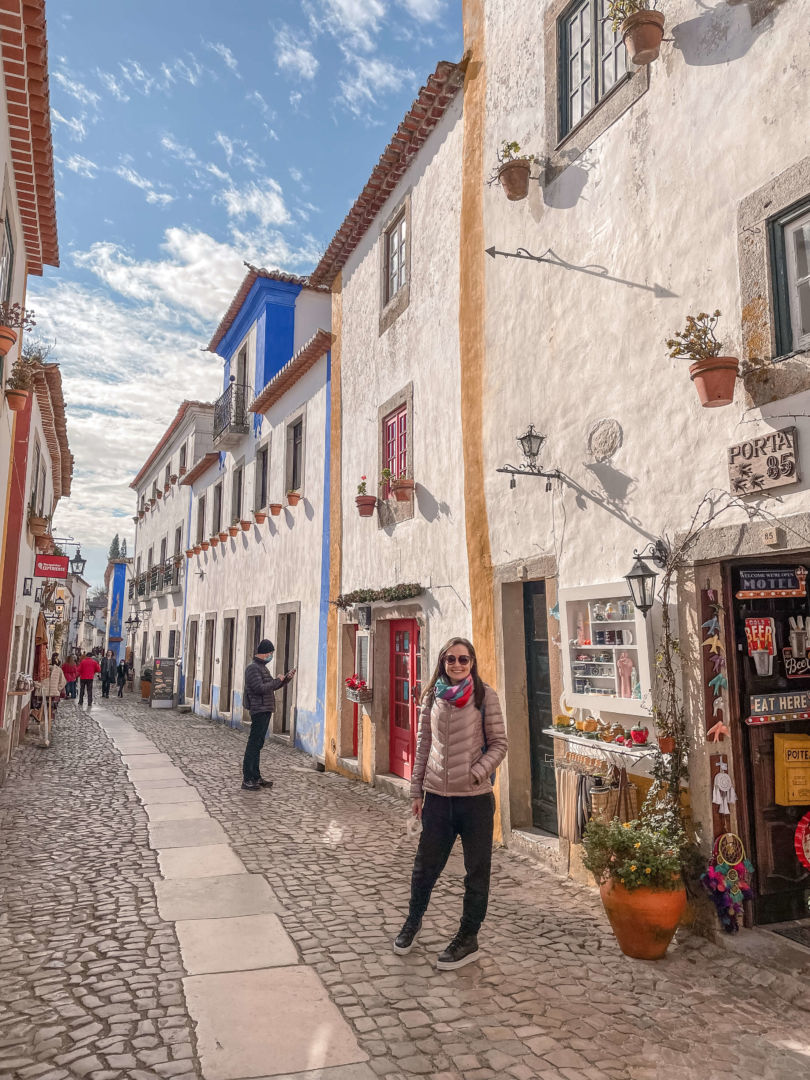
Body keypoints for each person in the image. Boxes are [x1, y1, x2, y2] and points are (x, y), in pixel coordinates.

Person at [394, 637, 507, 971]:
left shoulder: (485, 696)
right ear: (442, 662)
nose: (457, 665)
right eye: (450, 659)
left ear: (472, 662)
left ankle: (467, 938)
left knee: (476, 873)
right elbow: (423, 744)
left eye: (464, 659)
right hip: (439, 801)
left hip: (475, 802)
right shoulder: (432, 697)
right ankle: (412, 923)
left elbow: (499, 744)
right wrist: (416, 791)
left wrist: (476, 773)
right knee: (424, 868)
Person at [241, 639, 295, 792]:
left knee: (258, 744)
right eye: (270, 653)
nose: (271, 656)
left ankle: (256, 776)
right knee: (253, 744)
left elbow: (271, 686)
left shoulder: (262, 668)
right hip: (259, 710)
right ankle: (247, 779)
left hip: (265, 709)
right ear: (265, 653)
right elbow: (260, 688)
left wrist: (286, 679)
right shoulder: (253, 669)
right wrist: (277, 680)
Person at [45, 653, 66, 721]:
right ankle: (50, 717)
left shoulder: (44, 668)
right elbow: (63, 682)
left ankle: (43, 717)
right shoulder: (58, 670)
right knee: (52, 705)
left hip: (43, 691)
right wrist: (58, 689)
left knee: (44, 704)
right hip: (54, 692)